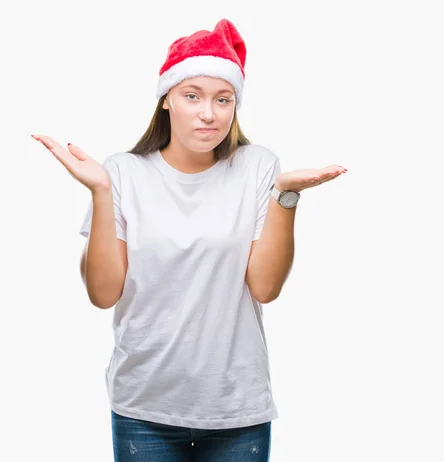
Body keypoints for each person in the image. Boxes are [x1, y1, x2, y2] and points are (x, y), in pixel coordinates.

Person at [32, 18, 346, 462]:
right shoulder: (122, 172)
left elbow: (265, 288)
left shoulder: (258, 167)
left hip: (236, 408)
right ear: (166, 101)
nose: (208, 113)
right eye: (192, 96)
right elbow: (103, 294)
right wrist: (100, 191)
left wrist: (285, 195)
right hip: (144, 405)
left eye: (223, 99)